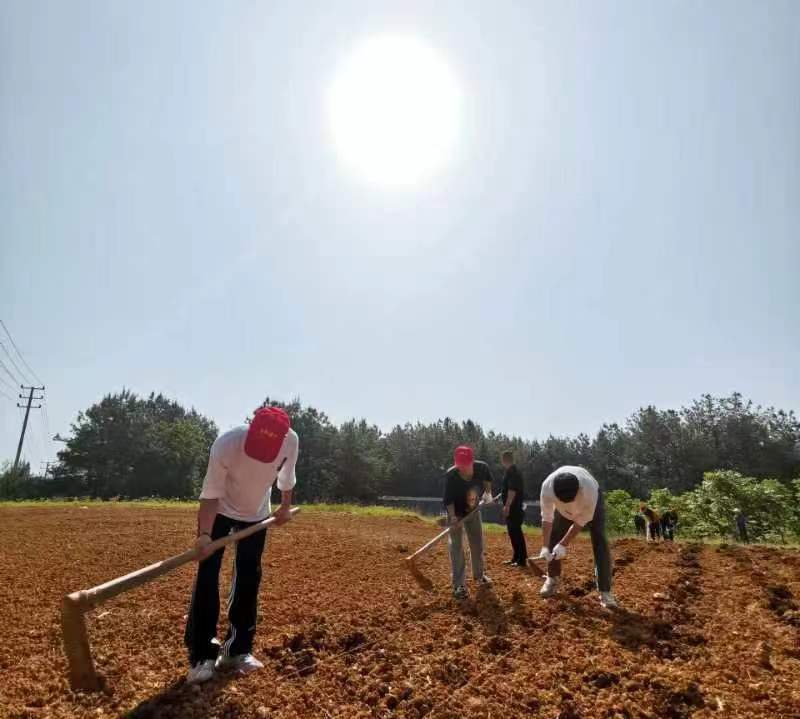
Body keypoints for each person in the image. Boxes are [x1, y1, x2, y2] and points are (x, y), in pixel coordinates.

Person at [184, 406, 298, 684]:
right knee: (208, 574)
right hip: (221, 510)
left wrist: (284, 507)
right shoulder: (226, 444)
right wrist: (204, 535)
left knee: (248, 577)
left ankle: (237, 650)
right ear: (251, 428)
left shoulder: (290, 440)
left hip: (256, 514)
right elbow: (210, 493)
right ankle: (202, 656)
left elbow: (286, 477)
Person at [534, 466, 618, 609]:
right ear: (555, 493)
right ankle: (552, 578)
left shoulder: (589, 490)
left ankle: (605, 591)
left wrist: (563, 544)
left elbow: (580, 521)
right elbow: (547, 518)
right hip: (562, 512)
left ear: (579, 489)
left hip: (591, 507)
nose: (570, 504)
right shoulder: (547, 488)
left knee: (600, 541)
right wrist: (545, 546)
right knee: (555, 534)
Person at [443, 445, 495, 600]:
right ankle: (458, 584)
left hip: (473, 510)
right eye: (459, 465)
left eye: (465, 465)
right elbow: (448, 500)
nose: (462, 469)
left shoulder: (482, 468)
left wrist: (488, 494)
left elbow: (487, 482)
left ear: (472, 462)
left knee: (477, 543)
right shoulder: (451, 475)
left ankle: (479, 575)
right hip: (456, 513)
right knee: (456, 547)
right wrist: (453, 517)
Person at [500, 449, 527, 567]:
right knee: (513, 532)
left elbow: (512, 490)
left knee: (516, 532)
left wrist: (507, 506)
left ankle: (521, 560)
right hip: (513, 507)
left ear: (504, 460)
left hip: (514, 508)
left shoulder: (512, 472)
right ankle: (516, 557)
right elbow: (507, 489)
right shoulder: (510, 472)